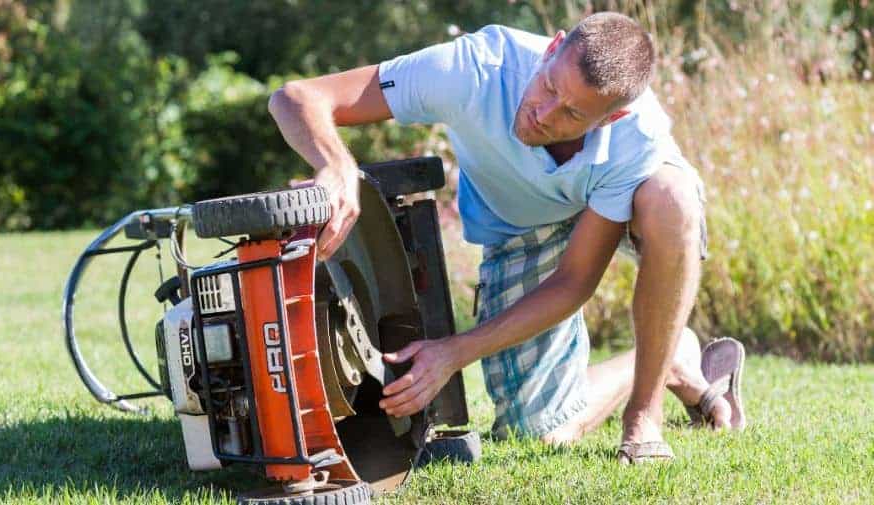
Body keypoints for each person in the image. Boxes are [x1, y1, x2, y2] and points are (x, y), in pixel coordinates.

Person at [269, 11, 746, 463]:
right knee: (537, 431)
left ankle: (644, 414)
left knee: (672, 198)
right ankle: (675, 356)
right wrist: (336, 165)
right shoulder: (472, 69)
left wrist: (455, 353)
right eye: (549, 85)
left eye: (573, 114)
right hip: (520, 226)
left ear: (609, 119)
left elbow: (576, 279)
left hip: (616, 207)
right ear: (552, 48)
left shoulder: (636, 135)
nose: (544, 111)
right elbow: (296, 97)